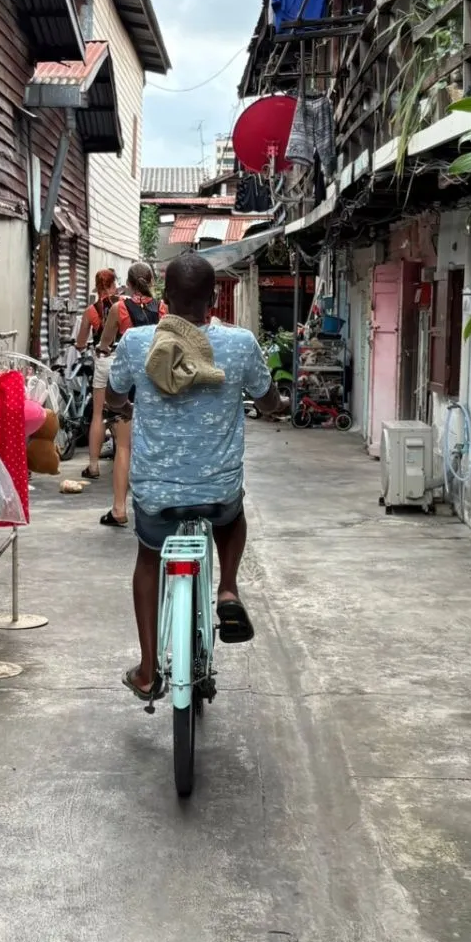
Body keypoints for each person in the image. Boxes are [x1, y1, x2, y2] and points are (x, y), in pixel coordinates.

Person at [106, 251, 280, 697]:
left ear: (165, 298)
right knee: (231, 514)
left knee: (149, 558)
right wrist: (270, 402)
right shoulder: (240, 344)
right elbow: (268, 401)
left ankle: (148, 671)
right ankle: (226, 589)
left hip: (155, 492)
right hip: (217, 487)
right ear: (214, 297)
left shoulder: (136, 342)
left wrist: (122, 406)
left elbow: (113, 395)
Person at [95, 260, 165, 531]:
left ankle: (119, 508)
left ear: (130, 282)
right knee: (158, 444)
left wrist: (103, 348)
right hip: (157, 383)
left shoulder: (119, 307)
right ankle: (158, 503)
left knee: (123, 446)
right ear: (150, 281)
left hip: (128, 384)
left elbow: (105, 342)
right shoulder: (163, 308)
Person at [74, 268, 119, 481]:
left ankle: (93, 466)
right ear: (113, 284)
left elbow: (81, 342)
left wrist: (82, 344)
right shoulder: (123, 305)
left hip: (102, 361)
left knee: (98, 414)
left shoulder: (91, 311)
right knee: (123, 413)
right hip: (122, 360)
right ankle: (124, 456)